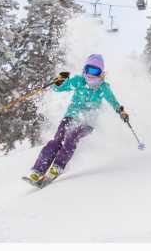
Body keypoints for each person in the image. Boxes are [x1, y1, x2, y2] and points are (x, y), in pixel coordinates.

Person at [27, 54, 129, 185]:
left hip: (88, 122)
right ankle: (38, 170)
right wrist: (58, 80)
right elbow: (58, 88)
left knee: (71, 137)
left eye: (95, 71)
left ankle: (57, 166)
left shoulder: (103, 87)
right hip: (71, 116)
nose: (91, 74)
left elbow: (113, 101)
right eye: (89, 70)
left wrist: (121, 111)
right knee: (58, 139)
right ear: (84, 70)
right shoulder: (78, 81)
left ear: (101, 73)